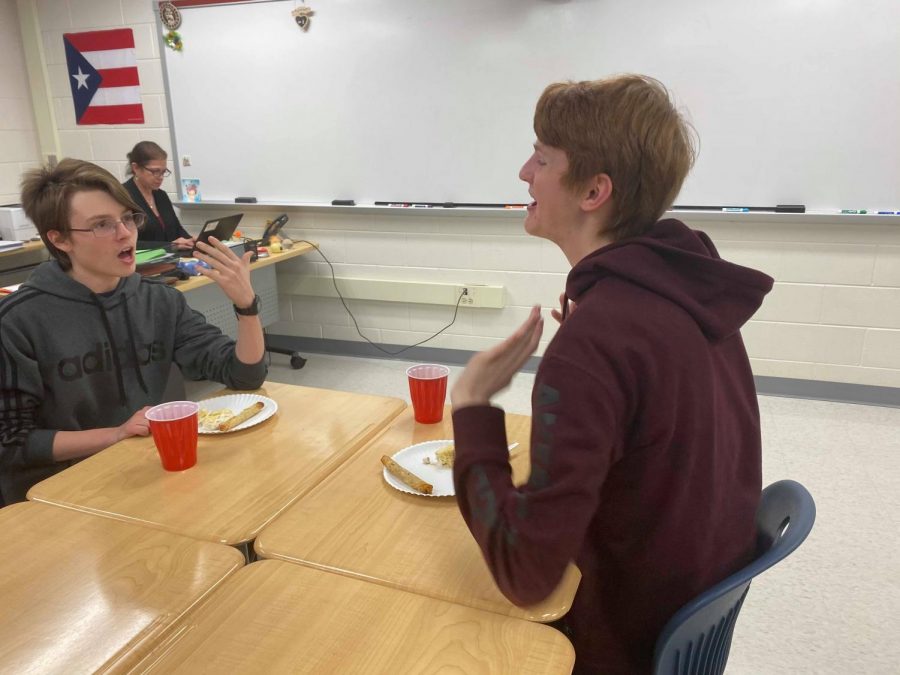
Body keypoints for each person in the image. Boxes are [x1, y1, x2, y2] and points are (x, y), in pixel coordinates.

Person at [450, 75, 774, 674]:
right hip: (679, 619)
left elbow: (527, 575)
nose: (524, 171)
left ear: (594, 191)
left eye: (542, 158)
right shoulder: (686, 288)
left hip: (614, 643)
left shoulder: (597, 343)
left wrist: (472, 407)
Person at [0, 158, 267, 505]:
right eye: (102, 225)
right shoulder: (18, 321)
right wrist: (115, 435)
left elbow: (244, 376)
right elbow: (11, 444)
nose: (125, 233)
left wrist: (246, 307)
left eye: (128, 218)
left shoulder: (158, 300)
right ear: (60, 239)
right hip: (61, 496)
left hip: (146, 474)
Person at [123, 141, 194, 249]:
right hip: (143, 264)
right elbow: (126, 243)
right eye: (155, 171)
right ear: (136, 168)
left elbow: (176, 229)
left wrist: (191, 241)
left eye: (163, 172)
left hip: (170, 260)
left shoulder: (161, 195)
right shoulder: (123, 197)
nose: (160, 177)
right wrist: (169, 246)